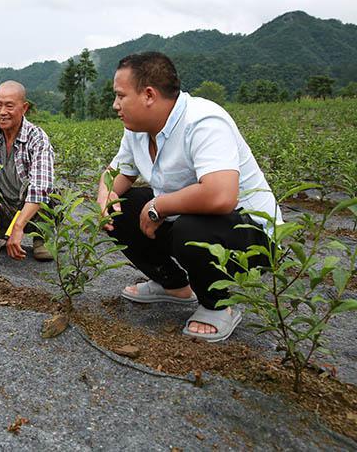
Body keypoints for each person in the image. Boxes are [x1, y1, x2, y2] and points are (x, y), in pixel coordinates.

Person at [97, 51, 282, 342]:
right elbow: (114, 174)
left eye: (120, 96)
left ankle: (217, 305)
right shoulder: (137, 131)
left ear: (148, 95)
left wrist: (160, 205)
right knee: (124, 208)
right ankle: (172, 285)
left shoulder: (203, 120)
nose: (115, 105)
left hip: (250, 233)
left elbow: (221, 196)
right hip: (192, 219)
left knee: (189, 228)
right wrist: (105, 199)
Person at [0, 80, 55, 262]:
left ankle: (41, 238)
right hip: (4, 204)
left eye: (9, 106)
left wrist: (18, 226)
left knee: (53, 195)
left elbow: (40, 188)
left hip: (30, 207)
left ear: (24, 108)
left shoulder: (37, 137)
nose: (2, 112)